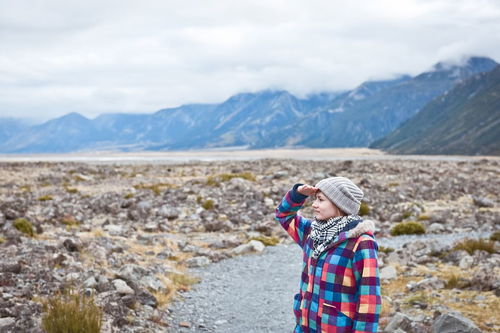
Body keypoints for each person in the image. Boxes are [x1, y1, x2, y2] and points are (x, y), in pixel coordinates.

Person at [275, 177, 381, 333]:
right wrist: (297, 195)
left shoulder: (361, 243)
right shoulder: (312, 232)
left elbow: (369, 301)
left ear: (339, 204)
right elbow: (284, 215)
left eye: (320, 199)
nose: (314, 204)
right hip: (304, 327)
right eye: (315, 199)